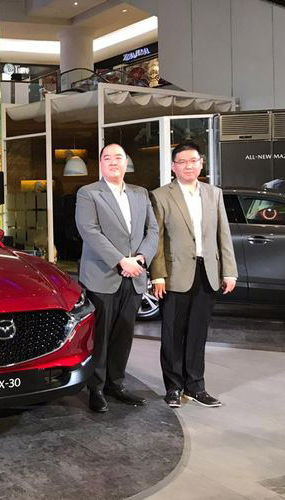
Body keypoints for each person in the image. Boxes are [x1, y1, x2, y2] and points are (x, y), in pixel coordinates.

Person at [150, 142, 237, 409]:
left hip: (207, 272)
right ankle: (174, 387)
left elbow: (223, 234)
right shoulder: (160, 195)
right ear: (173, 166)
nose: (188, 166)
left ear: (201, 163)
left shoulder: (214, 193)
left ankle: (196, 386)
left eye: (193, 161)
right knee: (173, 334)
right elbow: (157, 239)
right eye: (182, 162)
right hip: (175, 274)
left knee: (198, 334)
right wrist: (158, 275)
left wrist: (229, 271)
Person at [75, 143, 158, 413]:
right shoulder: (89, 193)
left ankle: (116, 384)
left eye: (118, 157)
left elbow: (152, 230)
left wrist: (141, 258)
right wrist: (121, 261)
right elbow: (89, 231)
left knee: (124, 333)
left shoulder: (140, 193)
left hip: (134, 275)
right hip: (103, 275)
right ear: (100, 164)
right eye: (107, 158)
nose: (113, 162)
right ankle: (96, 388)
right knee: (100, 336)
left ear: (126, 163)